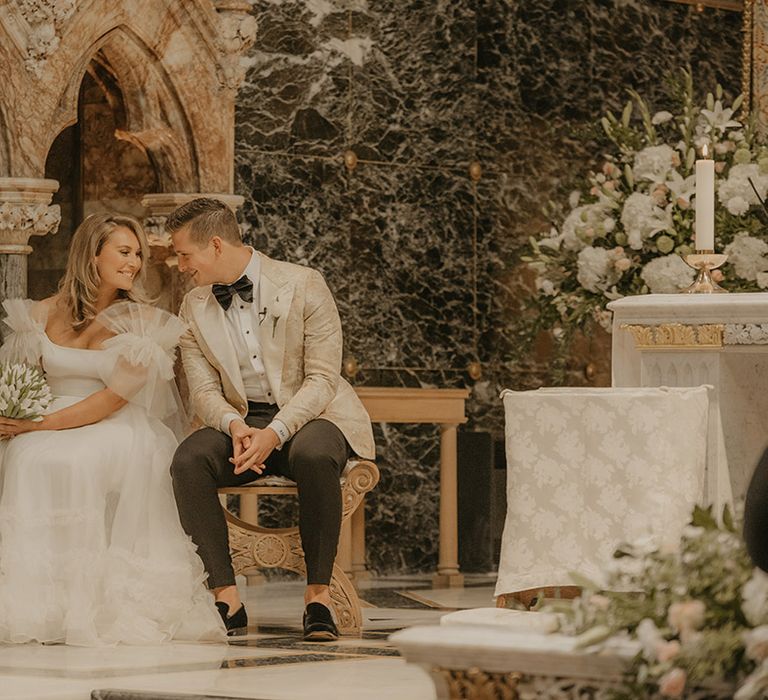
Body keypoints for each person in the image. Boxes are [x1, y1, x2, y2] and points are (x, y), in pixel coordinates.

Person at [0, 213, 225, 645]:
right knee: (26, 458)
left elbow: (112, 399)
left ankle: (92, 604)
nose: (135, 263)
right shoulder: (41, 313)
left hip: (117, 423)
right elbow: (21, 377)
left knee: (75, 459)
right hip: (48, 418)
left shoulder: (142, 322)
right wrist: (17, 415)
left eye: (138, 254)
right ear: (92, 254)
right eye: (125, 252)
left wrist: (39, 424)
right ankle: (42, 604)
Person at [167, 198, 375, 640]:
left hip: (312, 412)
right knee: (188, 460)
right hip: (241, 420)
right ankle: (227, 597)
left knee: (317, 455)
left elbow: (322, 378)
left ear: (216, 245)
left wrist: (276, 432)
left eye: (184, 253)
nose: (180, 264)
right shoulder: (193, 305)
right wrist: (235, 427)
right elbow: (202, 390)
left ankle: (317, 598)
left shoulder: (303, 284)